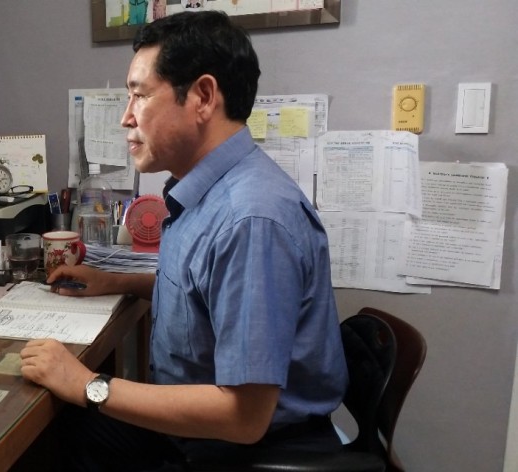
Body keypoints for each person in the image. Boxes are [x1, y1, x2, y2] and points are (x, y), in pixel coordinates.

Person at [19, 11, 347, 470]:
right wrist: (115, 281)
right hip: (199, 434)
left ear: (203, 97)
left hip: (237, 451)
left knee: (51, 432)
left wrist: (88, 384)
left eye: (139, 95)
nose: (126, 117)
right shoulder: (206, 190)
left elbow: (244, 417)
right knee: (59, 428)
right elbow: (207, 295)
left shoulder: (250, 220)